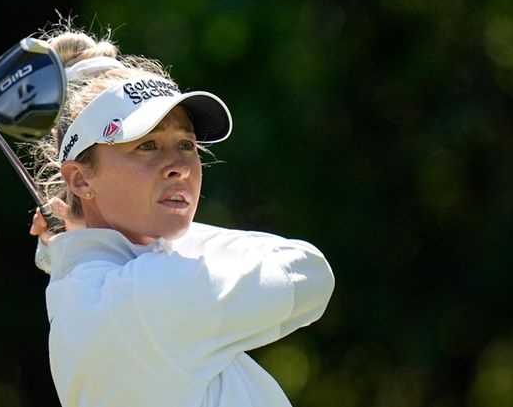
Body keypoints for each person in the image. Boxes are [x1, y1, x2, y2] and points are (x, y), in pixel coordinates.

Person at [27, 21, 335, 407]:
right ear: (79, 179)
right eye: (148, 145)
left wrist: (78, 240)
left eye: (186, 144)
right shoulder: (149, 294)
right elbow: (309, 273)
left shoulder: (82, 291)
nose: (180, 167)